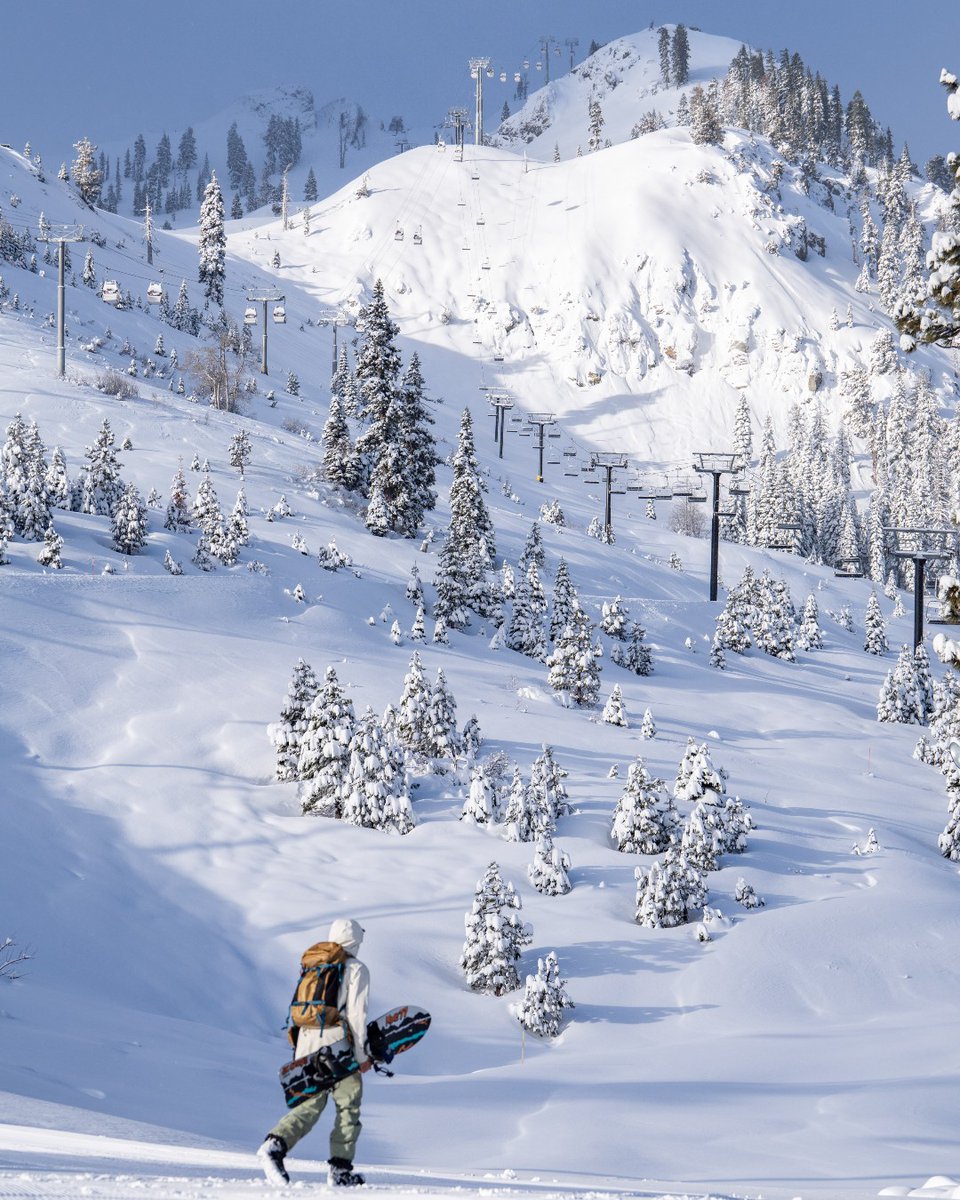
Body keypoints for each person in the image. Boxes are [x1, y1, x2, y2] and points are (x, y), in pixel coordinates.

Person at [257, 918, 372, 1187]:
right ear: (356, 940)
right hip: (336, 1046)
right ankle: (340, 1170)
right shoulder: (355, 968)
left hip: (307, 1043)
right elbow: (357, 1015)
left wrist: (299, 1049)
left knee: (311, 1102)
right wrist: (362, 1056)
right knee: (348, 1105)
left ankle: (275, 1145)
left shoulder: (315, 963)